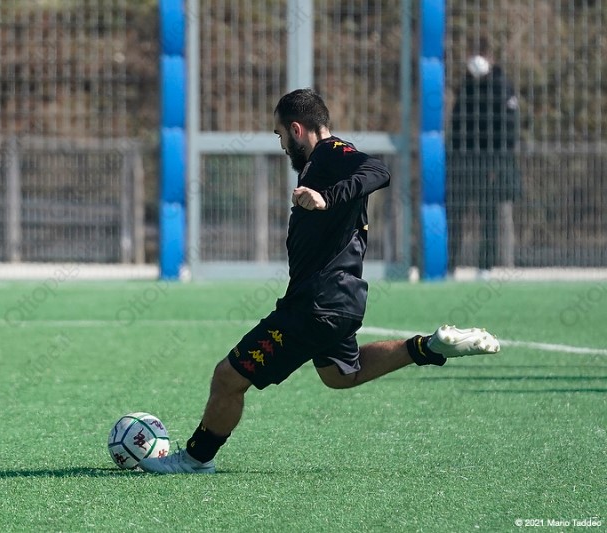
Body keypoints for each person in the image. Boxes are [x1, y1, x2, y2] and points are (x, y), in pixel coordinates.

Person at [139, 88, 500, 475]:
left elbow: (378, 171)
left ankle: (196, 458)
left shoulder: (330, 153)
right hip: (341, 302)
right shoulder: (320, 164)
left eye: (280, 135)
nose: (281, 145)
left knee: (228, 377)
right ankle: (428, 347)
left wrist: (327, 198)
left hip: (315, 306)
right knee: (343, 375)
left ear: (296, 129)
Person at [447, 38, 521, 277]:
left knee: (488, 215)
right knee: (455, 213)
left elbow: (509, 129)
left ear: (490, 58)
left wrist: (498, 163)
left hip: (490, 162)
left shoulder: (502, 86)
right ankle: (450, 265)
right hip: (463, 160)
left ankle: (485, 267)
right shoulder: (467, 86)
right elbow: (456, 124)